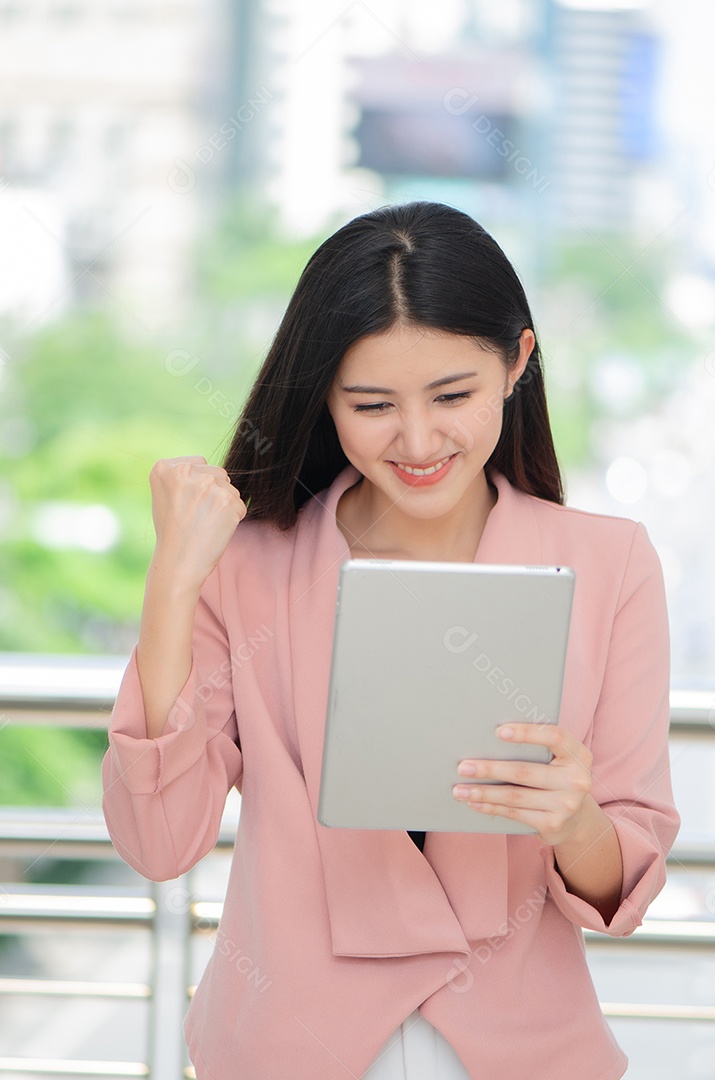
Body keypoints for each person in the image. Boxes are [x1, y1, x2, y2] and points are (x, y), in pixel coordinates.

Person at [101, 201, 680, 1080]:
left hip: (522, 1051)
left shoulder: (610, 564)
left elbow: (619, 893)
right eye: (371, 404)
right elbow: (158, 843)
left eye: (452, 396)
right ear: (322, 396)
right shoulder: (243, 566)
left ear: (517, 362)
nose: (416, 441)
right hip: (291, 1048)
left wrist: (574, 821)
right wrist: (172, 584)